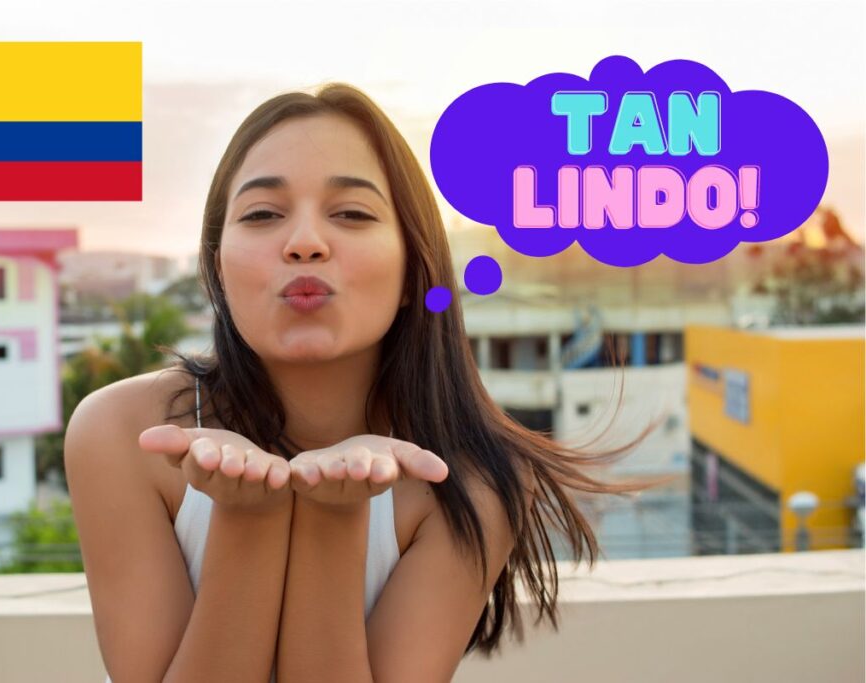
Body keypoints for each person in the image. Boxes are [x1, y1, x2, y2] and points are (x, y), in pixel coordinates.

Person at [65, 82, 675, 682]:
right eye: (262, 214)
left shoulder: (472, 480)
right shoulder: (122, 434)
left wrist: (337, 517)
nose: (304, 243)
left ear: (415, 267)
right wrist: (246, 517)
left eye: (352, 214)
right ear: (218, 267)